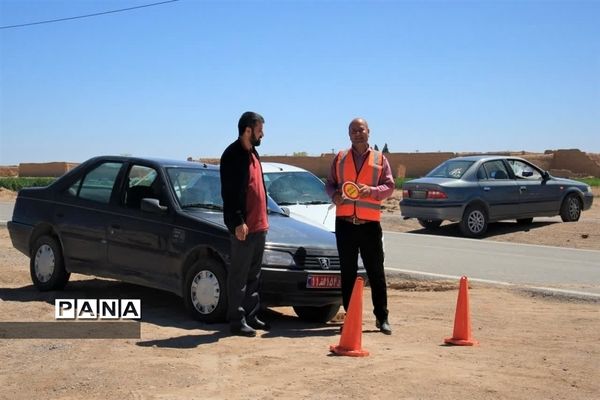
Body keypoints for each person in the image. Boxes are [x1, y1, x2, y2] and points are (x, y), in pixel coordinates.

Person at [326, 117, 395, 335]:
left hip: (369, 225)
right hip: (345, 224)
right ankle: (351, 318)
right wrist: (334, 195)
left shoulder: (379, 158)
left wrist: (373, 191)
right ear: (349, 134)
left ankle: (382, 318)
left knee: (376, 273)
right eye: (353, 130)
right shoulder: (340, 158)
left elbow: (390, 186)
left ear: (368, 132)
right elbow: (329, 184)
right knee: (347, 273)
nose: (357, 133)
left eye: (361, 129)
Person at [220, 111, 269, 337]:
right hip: (244, 227)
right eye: (260, 129)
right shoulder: (233, 155)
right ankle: (236, 319)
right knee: (239, 275)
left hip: (260, 227)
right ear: (248, 129)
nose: (263, 134)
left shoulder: (253, 153)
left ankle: (251, 314)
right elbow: (230, 193)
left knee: (254, 275)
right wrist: (238, 221)